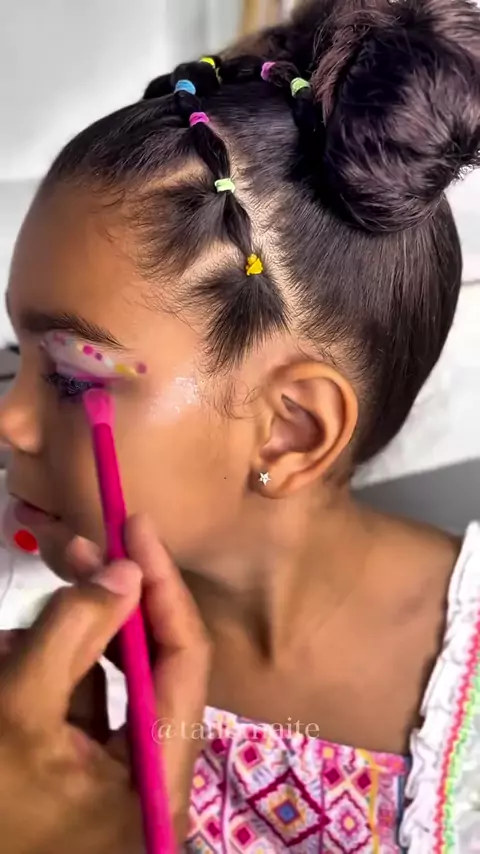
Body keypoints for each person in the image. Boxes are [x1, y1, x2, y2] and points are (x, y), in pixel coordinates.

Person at [0, 0, 479, 850]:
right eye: (15, 358)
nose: (9, 421)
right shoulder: (31, 700)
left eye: (72, 377)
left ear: (291, 431)